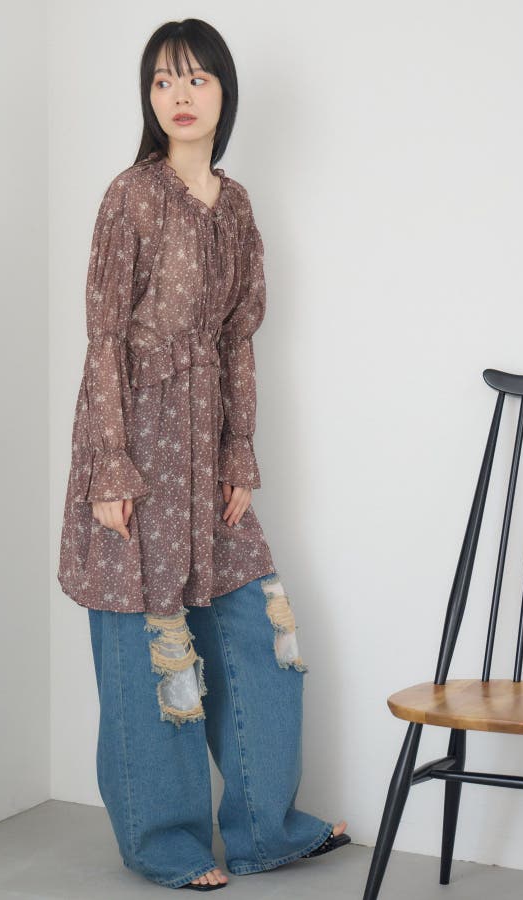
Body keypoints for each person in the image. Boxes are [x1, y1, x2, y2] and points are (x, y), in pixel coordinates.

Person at [57, 19, 350, 892]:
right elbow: (105, 337)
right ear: (147, 98)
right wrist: (110, 466)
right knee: (151, 647)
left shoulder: (239, 205)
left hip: (210, 457)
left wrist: (239, 456)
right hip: (137, 449)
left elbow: (237, 340)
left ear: (225, 91)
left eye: (196, 79)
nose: (179, 95)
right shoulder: (130, 196)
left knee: (259, 633)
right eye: (161, 81)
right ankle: (166, 844)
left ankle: (267, 828)